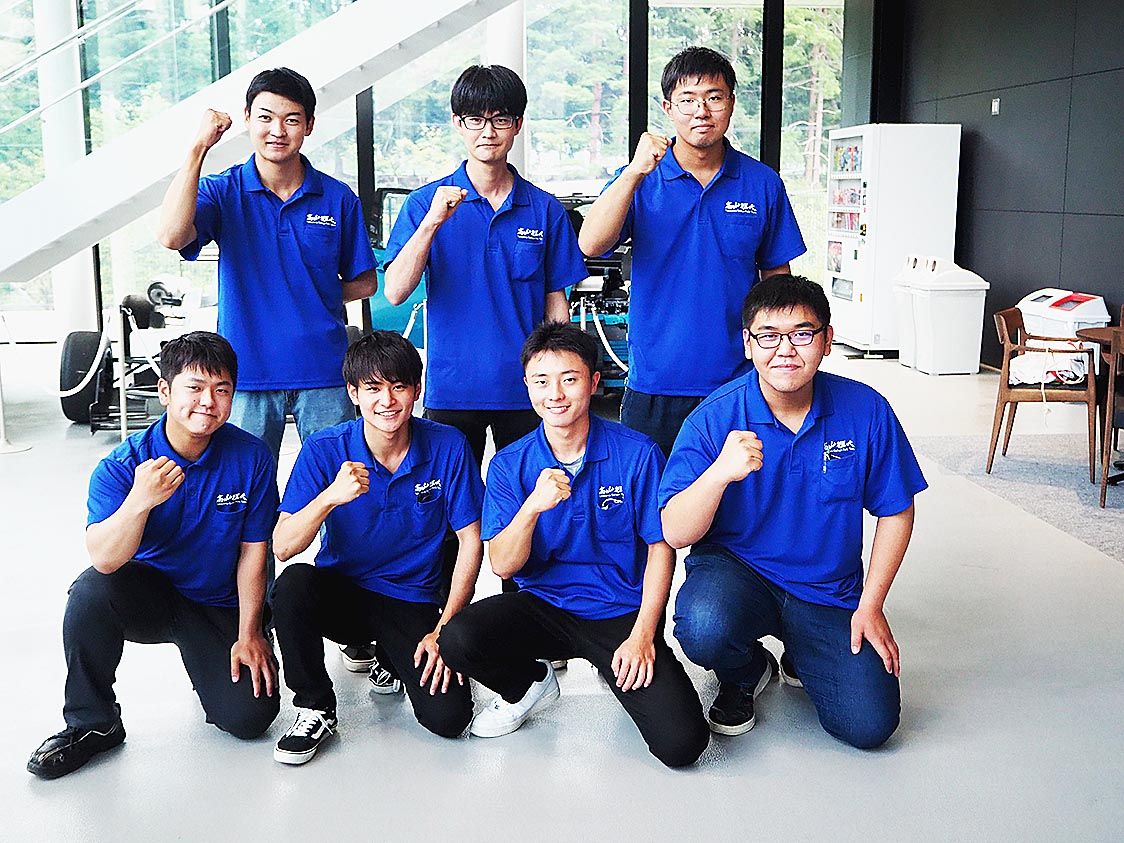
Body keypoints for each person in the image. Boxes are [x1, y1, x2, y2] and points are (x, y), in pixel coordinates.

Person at [660, 275, 927, 747]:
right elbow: (675, 531)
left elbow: (896, 510)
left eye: (802, 334)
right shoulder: (713, 417)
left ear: (827, 339)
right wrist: (718, 474)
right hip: (738, 574)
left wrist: (871, 604)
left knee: (869, 726)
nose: (785, 350)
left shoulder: (866, 410)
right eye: (768, 336)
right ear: (748, 344)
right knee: (703, 626)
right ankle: (745, 670)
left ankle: (803, 651)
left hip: (827, 588)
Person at [438, 322, 710, 768]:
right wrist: (531, 507)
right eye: (542, 381)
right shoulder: (510, 464)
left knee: (682, 745)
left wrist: (643, 635)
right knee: (458, 638)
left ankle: (613, 666)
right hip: (544, 606)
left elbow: (661, 549)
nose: (556, 394)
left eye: (569, 379)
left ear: (594, 382)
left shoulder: (637, 453)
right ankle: (529, 684)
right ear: (527, 386)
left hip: (618, 612)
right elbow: (503, 566)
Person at [27, 332, 280, 780]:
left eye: (221, 390)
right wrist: (139, 501)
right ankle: (93, 722)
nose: (208, 402)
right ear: (165, 391)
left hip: (218, 601)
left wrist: (250, 632)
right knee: (90, 593)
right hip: (151, 596)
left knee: (249, 718)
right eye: (194, 387)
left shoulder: (251, 457)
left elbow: (253, 552)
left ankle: (219, 658)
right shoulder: (124, 465)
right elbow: (105, 559)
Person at [579, 47, 807, 455]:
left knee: (738, 490)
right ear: (668, 108)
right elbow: (590, 244)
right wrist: (634, 172)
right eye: (688, 99)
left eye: (714, 97)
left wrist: (777, 360)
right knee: (654, 493)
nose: (701, 111)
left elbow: (778, 281)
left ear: (731, 103)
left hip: (737, 382)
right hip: (655, 382)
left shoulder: (762, 183)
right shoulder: (641, 179)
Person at [269, 331, 483, 765]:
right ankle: (314, 706)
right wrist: (329, 497)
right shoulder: (325, 448)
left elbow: (471, 540)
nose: (387, 401)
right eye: (372, 388)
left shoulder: (447, 445)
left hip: (411, 599)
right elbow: (283, 546)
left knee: (449, 718)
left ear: (417, 390)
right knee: (293, 585)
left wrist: (444, 628)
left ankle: (390, 655)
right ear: (353, 393)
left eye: (398, 386)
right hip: (344, 594)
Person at [157, 66, 379, 466]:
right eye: (265, 117)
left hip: (324, 371)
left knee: (341, 481)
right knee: (244, 485)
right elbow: (172, 236)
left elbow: (365, 283)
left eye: (291, 119)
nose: (277, 130)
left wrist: (307, 292)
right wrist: (198, 148)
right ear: (247, 119)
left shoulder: (337, 197)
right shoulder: (223, 191)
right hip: (245, 373)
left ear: (309, 125)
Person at [382, 64, 588, 469]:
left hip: (528, 390)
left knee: (536, 494)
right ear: (458, 123)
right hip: (452, 389)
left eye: (500, 120)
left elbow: (555, 305)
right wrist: (432, 224)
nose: (488, 132)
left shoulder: (544, 209)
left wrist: (560, 381)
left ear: (518, 124)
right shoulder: (425, 204)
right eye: (475, 120)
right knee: (448, 501)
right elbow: (395, 291)